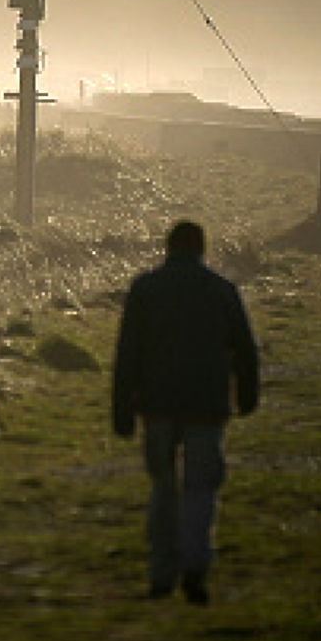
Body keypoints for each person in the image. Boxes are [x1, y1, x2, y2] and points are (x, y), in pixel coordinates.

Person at [112, 220, 260, 605]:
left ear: (168, 247)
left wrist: (122, 411)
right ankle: (195, 566)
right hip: (206, 405)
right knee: (200, 488)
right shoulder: (221, 290)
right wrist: (246, 396)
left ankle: (161, 572)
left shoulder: (145, 289)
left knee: (163, 488)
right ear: (201, 249)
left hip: (158, 405)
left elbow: (126, 355)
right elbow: (245, 350)